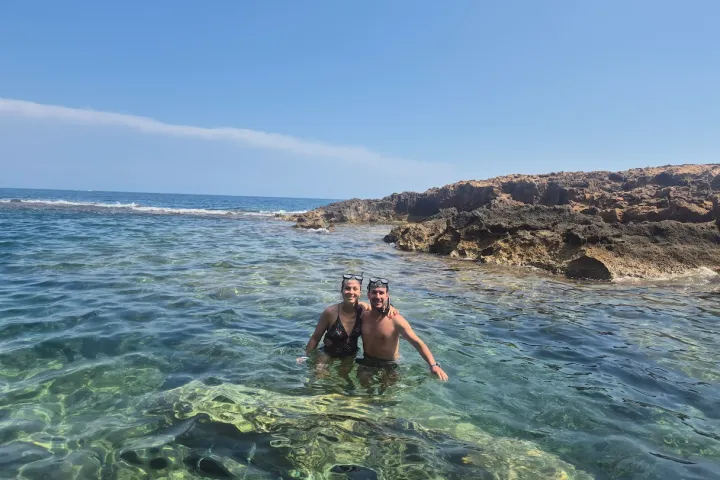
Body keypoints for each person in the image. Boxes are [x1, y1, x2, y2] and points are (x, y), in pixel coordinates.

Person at [357, 278, 449, 381]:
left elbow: (417, 343)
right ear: (368, 295)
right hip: (367, 361)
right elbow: (356, 303)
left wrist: (433, 365)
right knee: (363, 385)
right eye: (374, 293)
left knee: (388, 394)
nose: (378, 296)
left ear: (387, 296)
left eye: (381, 293)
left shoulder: (395, 320)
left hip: (390, 365)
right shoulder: (363, 315)